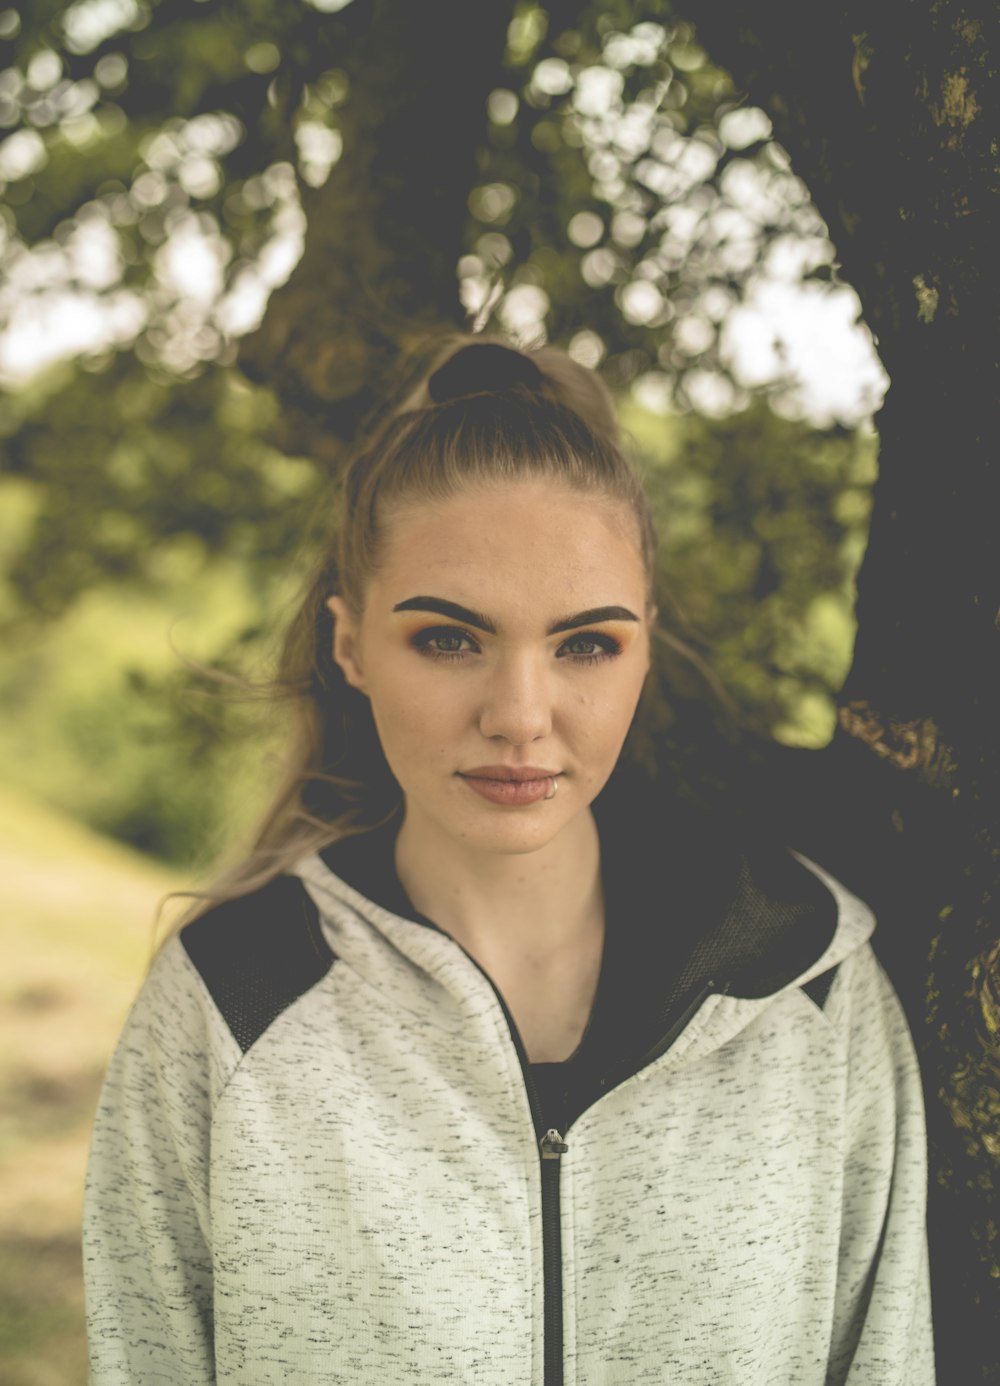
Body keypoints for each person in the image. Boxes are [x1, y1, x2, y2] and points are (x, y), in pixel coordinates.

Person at [83, 334, 934, 1384]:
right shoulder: (228, 999)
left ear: (644, 647)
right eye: (448, 639)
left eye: (586, 644)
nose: (520, 717)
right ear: (349, 645)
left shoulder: (809, 982)